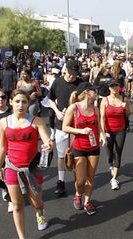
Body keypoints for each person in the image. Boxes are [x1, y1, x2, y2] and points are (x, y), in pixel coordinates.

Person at [0, 90, 54, 239]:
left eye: (23, 102)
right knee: (17, 205)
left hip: (31, 169)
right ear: (10, 102)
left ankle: (40, 213)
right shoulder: (3, 122)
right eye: (17, 101)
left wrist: (48, 145)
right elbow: (2, 146)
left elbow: (47, 140)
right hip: (11, 168)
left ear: (28, 104)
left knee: (37, 201)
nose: (20, 105)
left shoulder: (36, 121)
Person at [63, 82, 105, 215]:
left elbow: (99, 126)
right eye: (95, 91)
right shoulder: (73, 108)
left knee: (90, 178)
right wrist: (81, 131)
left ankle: (87, 202)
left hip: (94, 147)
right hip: (79, 147)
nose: (97, 94)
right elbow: (65, 127)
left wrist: (102, 135)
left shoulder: (95, 108)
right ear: (87, 92)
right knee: (80, 180)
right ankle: (78, 194)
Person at [49, 60, 83, 196]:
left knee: (77, 155)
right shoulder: (57, 82)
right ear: (66, 70)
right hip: (61, 125)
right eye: (71, 73)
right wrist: (56, 111)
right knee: (62, 155)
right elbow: (50, 99)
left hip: (76, 126)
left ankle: (78, 182)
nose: (72, 77)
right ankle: (61, 181)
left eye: (75, 74)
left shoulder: (81, 83)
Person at [100, 80, 130, 190]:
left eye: (116, 85)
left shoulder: (124, 99)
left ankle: (114, 179)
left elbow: (128, 114)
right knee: (109, 153)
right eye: (112, 86)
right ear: (109, 88)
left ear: (119, 87)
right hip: (108, 130)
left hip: (120, 129)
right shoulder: (104, 100)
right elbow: (102, 117)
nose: (114, 88)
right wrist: (102, 132)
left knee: (118, 152)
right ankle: (111, 164)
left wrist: (125, 106)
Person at [0, 89, 13, 212]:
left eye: (3, 97)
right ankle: (4, 189)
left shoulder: (11, 113)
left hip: (10, 147)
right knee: (1, 174)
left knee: (7, 172)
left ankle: (11, 200)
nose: (0, 100)